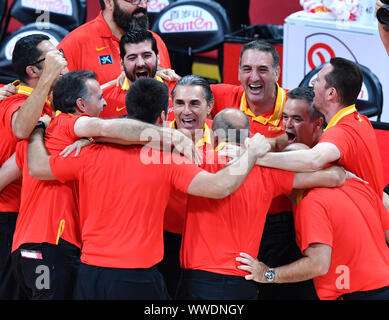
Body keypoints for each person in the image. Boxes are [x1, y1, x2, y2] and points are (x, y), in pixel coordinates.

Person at [26, 78, 270, 300]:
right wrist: (252, 153)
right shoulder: (165, 159)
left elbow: (37, 167)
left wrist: (36, 131)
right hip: (137, 279)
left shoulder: (88, 153)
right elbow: (221, 186)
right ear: (163, 118)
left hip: (90, 275)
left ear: (127, 112)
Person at [176, 107, 348, 300]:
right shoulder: (267, 172)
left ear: (214, 138)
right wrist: (256, 157)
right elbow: (335, 177)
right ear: (249, 137)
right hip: (243, 283)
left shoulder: (198, 161)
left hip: (199, 282)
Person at [237, 177, 389, 300]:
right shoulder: (358, 186)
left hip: (358, 294)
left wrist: (268, 274)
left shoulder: (311, 202)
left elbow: (318, 264)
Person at [257, 57, 385, 199]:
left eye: (317, 80)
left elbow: (314, 160)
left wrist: (254, 158)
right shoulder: (360, 121)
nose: (312, 82)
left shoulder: (341, 131)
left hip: (363, 215)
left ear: (331, 93)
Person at [0, 34, 67, 299]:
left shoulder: (48, 101)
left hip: (30, 218)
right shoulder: (13, 101)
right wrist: (49, 79)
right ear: (33, 71)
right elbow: (21, 127)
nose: (61, 62)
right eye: (52, 59)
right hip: (7, 216)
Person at [160, 75, 216, 297]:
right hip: (164, 238)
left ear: (209, 106)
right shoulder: (155, 137)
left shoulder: (224, 136)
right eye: (180, 103)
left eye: (194, 103)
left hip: (208, 239)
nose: (186, 111)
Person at [57, 0, 171, 85]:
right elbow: (56, 107)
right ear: (109, 2)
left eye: (145, 0)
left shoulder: (156, 40)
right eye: (133, 0)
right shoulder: (73, 45)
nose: (143, 5)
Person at [100, 28, 177, 119]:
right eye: (132, 58)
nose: (140, 63)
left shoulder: (179, 92)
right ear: (122, 63)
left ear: (158, 58)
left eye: (147, 56)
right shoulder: (103, 99)